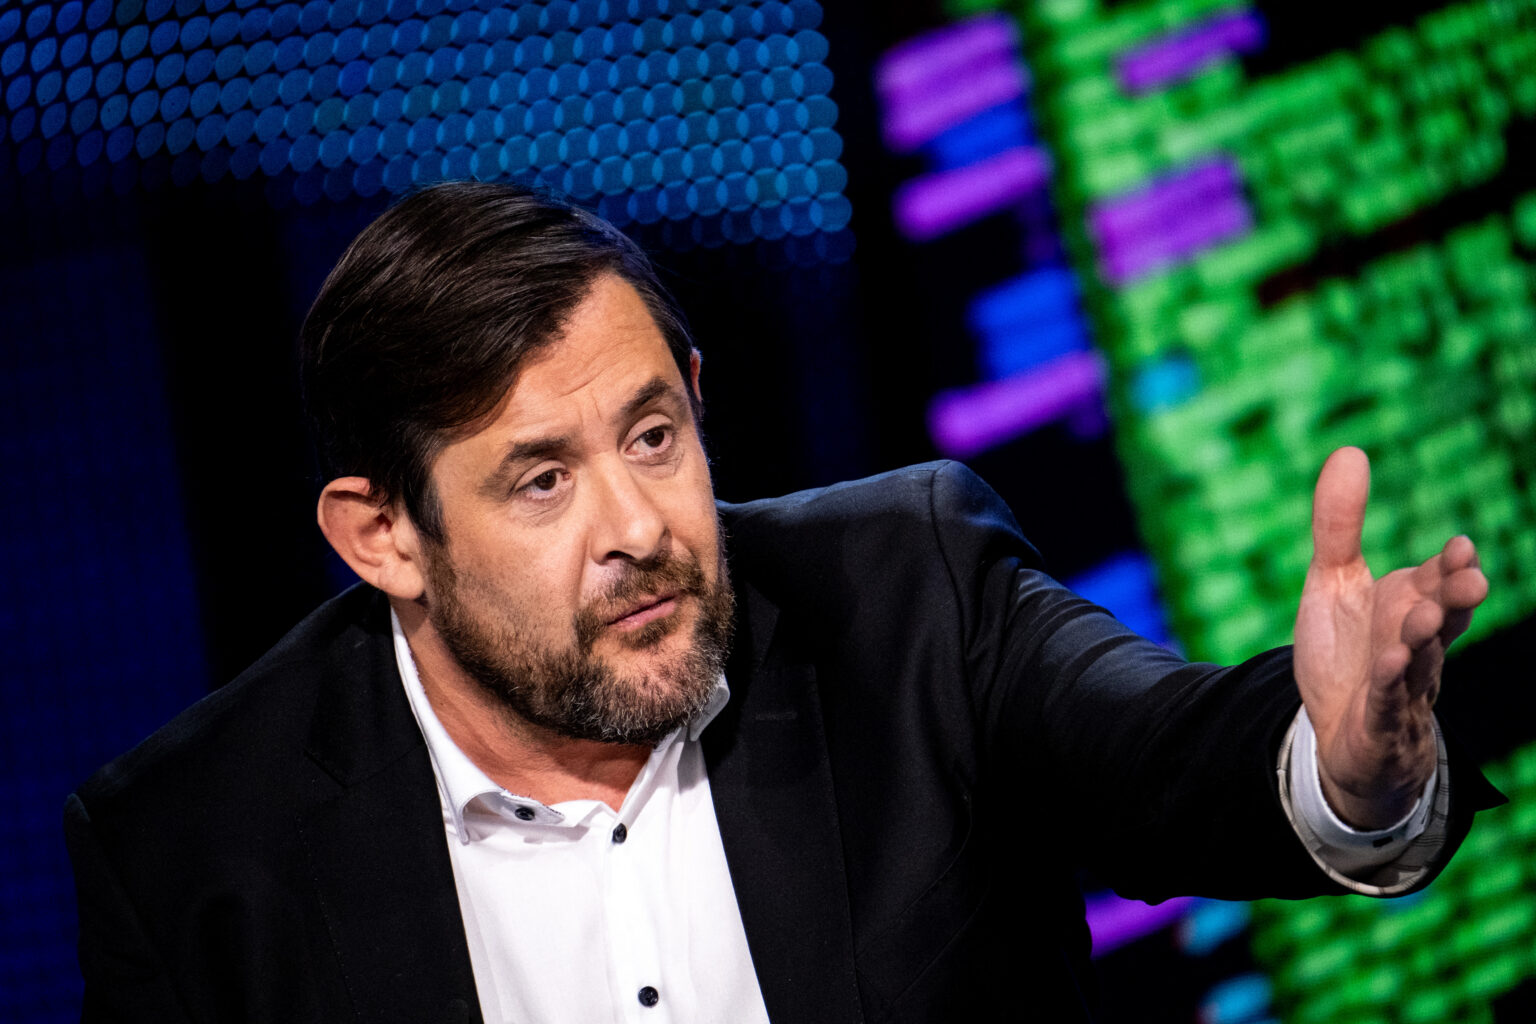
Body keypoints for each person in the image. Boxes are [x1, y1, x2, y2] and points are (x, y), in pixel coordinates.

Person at [66, 182, 1500, 1023]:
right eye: (542, 481)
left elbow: (1157, 753)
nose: (639, 529)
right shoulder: (193, 854)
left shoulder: (908, 594)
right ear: (384, 537)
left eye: (651, 436)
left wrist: (1346, 768)